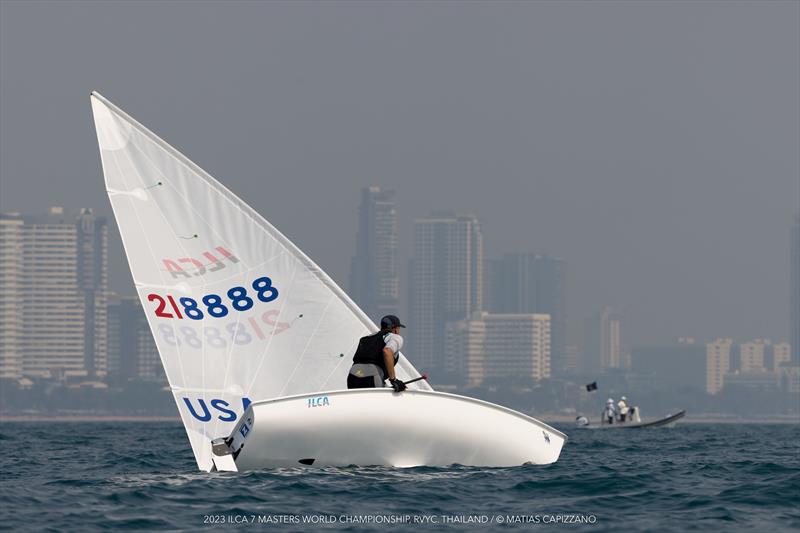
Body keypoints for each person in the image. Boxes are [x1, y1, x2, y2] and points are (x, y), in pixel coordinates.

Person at [347, 315, 407, 392]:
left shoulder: (366, 338)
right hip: (371, 376)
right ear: (395, 329)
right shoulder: (395, 337)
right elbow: (387, 351)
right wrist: (393, 380)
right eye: (399, 328)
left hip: (352, 376)